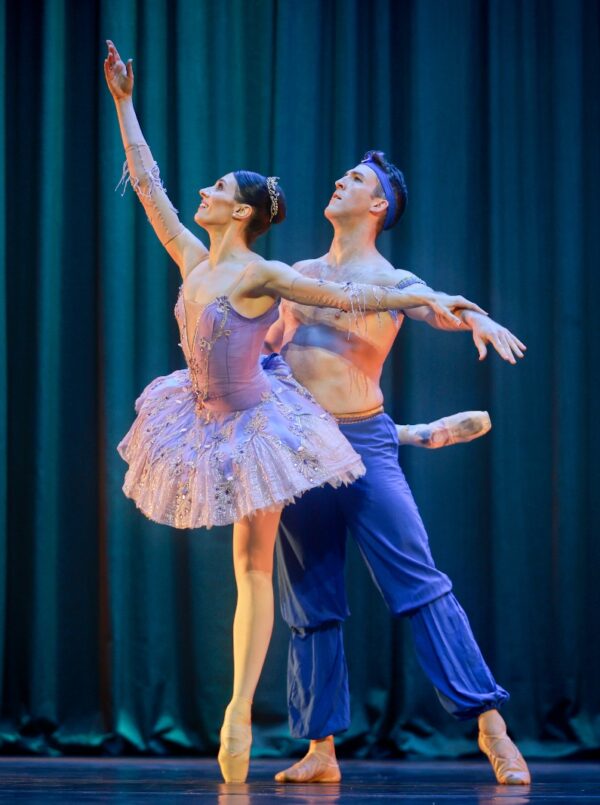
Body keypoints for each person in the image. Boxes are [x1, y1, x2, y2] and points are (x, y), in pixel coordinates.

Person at [103, 43, 484, 784]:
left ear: (239, 212)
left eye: (215, 187)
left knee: (257, 570)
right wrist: (123, 103)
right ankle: (416, 433)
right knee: (275, 577)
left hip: (258, 424)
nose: (202, 191)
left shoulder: (269, 272)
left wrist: (434, 299)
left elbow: (357, 298)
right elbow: (147, 187)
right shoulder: (193, 255)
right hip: (207, 411)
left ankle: (240, 710)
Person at [268, 151, 531, 786]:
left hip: (366, 446)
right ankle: (321, 750)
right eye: (343, 175)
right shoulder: (299, 274)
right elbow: (272, 348)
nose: (339, 181)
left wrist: (477, 316)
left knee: (420, 584)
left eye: (356, 179)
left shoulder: (397, 281)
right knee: (310, 600)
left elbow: (436, 307)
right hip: (301, 452)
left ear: (378, 205)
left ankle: (490, 726)